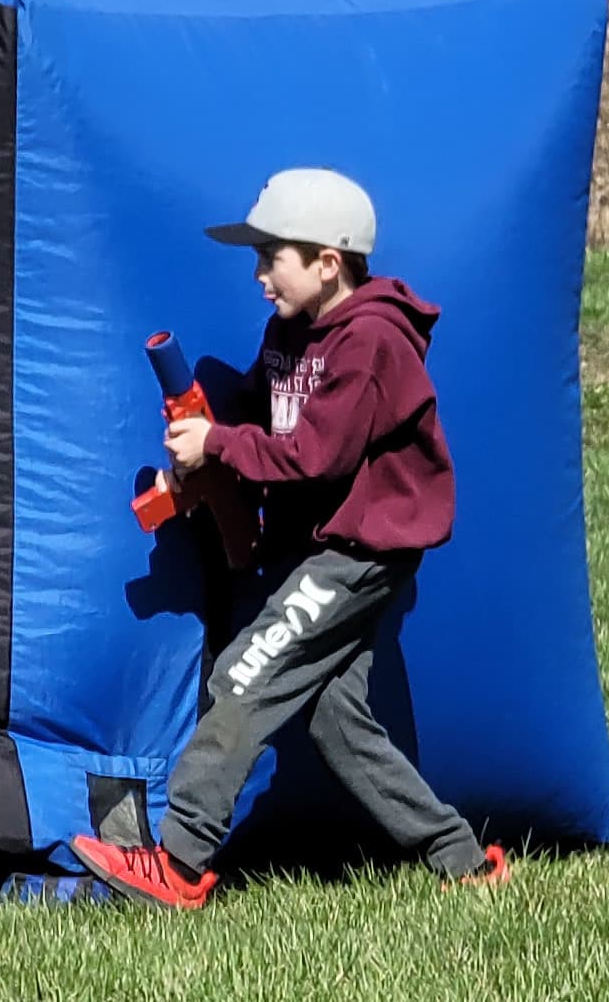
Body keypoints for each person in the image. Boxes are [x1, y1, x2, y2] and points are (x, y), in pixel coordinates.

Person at [72, 167, 508, 908]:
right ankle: (463, 860)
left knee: (243, 676)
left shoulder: (370, 343)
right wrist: (209, 417)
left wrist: (216, 445)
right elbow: (263, 402)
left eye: (271, 257)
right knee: (338, 722)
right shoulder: (288, 331)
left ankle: (177, 863)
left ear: (326, 261)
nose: (258, 276)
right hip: (320, 546)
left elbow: (315, 454)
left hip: (358, 550)